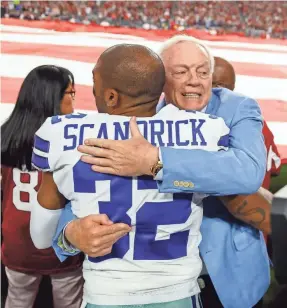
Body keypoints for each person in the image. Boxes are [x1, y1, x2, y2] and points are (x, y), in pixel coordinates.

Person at [52, 36, 270, 308]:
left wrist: (155, 162)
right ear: (159, 79)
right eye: (181, 71)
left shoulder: (237, 108)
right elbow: (90, 180)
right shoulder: (135, 111)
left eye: (203, 72)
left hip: (227, 274)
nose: (194, 80)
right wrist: (70, 233)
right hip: (151, 283)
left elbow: (247, 173)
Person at [1, 65, 84, 308]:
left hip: (17, 246)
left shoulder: (6, 137)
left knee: (17, 300)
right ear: (54, 99)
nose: (74, 100)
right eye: (71, 93)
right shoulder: (70, 144)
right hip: (62, 244)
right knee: (69, 303)